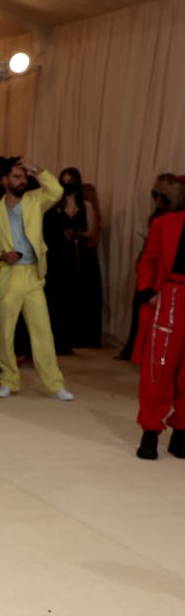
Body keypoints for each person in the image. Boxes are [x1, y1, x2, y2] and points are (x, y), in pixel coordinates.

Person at [0, 157, 73, 399]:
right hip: (7, 275)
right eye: (16, 176)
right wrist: (2, 255)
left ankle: (55, 384)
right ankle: (9, 379)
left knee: (43, 331)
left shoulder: (35, 201)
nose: (22, 181)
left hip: (33, 274)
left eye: (24, 177)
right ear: (4, 180)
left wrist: (38, 169)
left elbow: (56, 190)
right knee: (4, 333)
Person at [132, 176, 185, 460]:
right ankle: (150, 431)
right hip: (171, 301)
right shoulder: (164, 224)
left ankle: (182, 432)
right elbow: (148, 261)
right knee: (161, 365)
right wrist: (149, 291)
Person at [45, 167, 103, 350]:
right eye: (64, 180)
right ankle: (61, 335)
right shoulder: (54, 205)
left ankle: (83, 336)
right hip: (59, 255)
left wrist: (77, 233)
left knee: (83, 294)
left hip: (81, 254)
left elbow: (92, 231)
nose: (67, 184)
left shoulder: (86, 205)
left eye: (71, 181)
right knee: (61, 295)